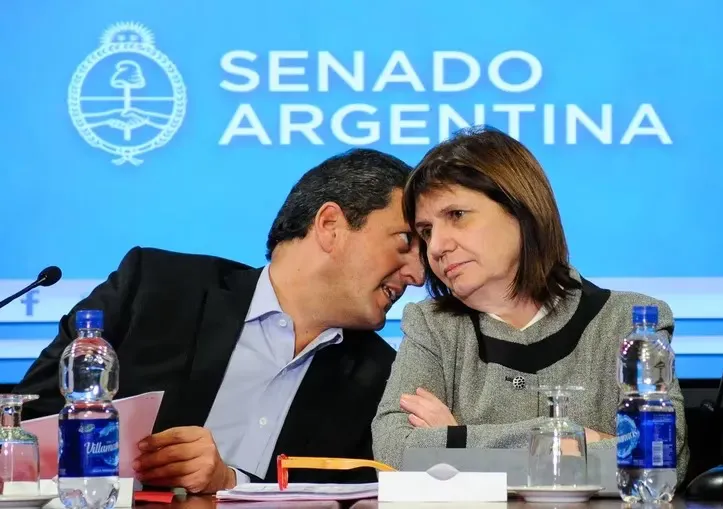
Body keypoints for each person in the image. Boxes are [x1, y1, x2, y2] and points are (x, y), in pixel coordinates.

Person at [14, 148, 424, 493]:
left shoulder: (383, 378)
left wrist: (231, 482)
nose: (418, 276)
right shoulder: (155, 289)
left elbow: (361, 497)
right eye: (405, 242)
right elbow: (24, 425)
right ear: (330, 225)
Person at [371, 126, 689, 482]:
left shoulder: (629, 323)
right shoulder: (431, 326)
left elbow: (657, 460)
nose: (437, 247)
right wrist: (577, 440)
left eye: (457, 215)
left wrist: (456, 441)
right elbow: (395, 450)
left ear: (521, 209)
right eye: (427, 231)